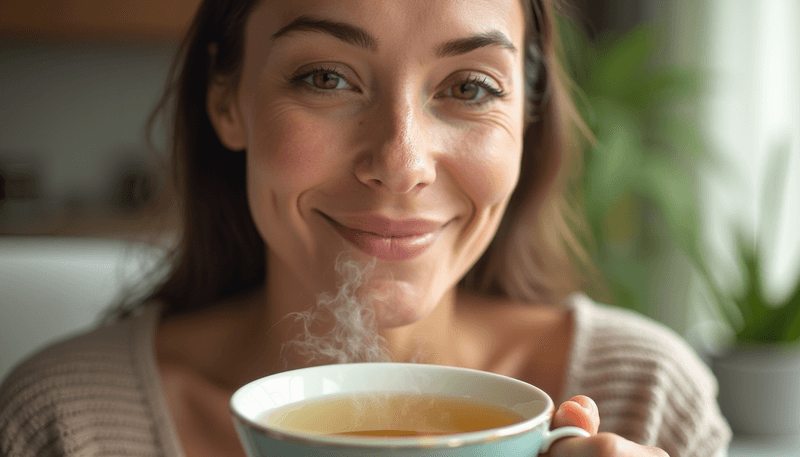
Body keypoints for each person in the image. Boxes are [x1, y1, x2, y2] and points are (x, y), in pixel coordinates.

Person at [0, 0, 731, 456]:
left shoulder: (648, 400)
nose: (401, 162)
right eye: (327, 76)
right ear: (227, 100)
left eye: (470, 87)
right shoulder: (65, 428)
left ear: (527, 121)